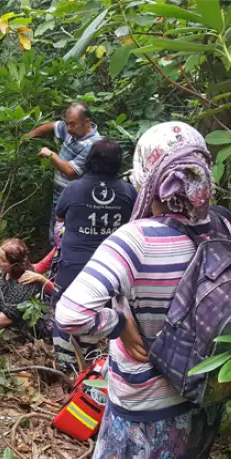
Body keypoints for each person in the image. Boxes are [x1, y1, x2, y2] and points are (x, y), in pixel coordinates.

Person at [55, 122, 231, 459]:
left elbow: (71, 314)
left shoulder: (135, 240)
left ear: (147, 179)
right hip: (205, 392)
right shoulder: (225, 226)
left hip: (144, 406)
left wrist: (119, 322)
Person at [47, 140, 137, 370]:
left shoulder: (73, 188)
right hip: (111, 270)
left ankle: (66, 368)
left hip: (73, 266)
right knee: (104, 315)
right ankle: (94, 366)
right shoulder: (128, 192)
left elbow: (60, 219)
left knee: (65, 311)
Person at [23, 103, 103, 246]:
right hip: (59, 197)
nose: (68, 128)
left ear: (87, 122)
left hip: (75, 201)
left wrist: (51, 155)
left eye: (73, 124)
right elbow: (53, 126)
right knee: (55, 236)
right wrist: (29, 136)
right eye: (67, 124)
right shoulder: (72, 131)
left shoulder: (94, 145)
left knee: (66, 238)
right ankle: (54, 263)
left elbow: (71, 171)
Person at [0, 238, 52, 335]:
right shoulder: (5, 272)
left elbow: (7, 318)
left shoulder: (25, 283)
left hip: (18, 333)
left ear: (15, 265)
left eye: (3, 260)